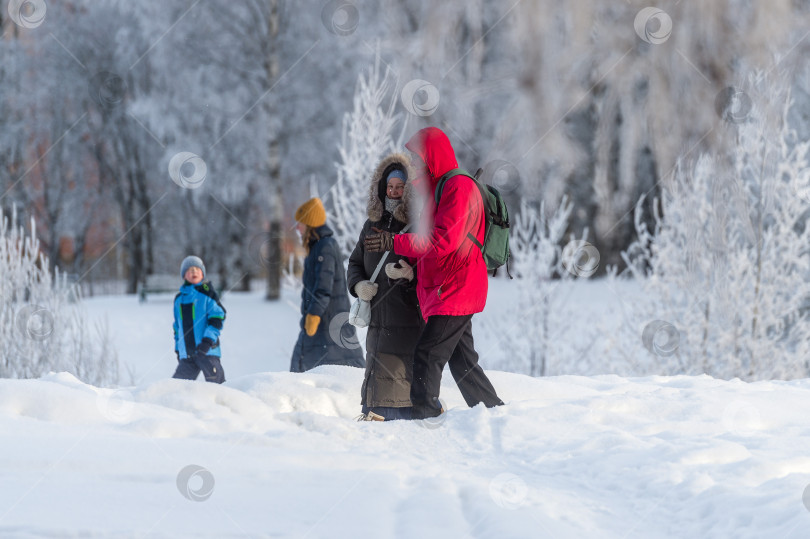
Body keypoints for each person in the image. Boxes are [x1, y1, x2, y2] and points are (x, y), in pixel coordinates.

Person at [365, 127, 504, 419]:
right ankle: (494, 414)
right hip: (449, 288)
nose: (413, 164)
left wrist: (395, 242)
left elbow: (444, 240)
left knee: (427, 355)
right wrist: (412, 268)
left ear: (432, 157)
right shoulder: (439, 189)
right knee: (463, 361)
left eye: (417, 158)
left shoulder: (458, 188)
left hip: (455, 289)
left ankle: (424, 417)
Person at [347, 153, 423, 421]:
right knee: (375, 363)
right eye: (389, 186)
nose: (393, 191)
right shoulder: (371, 226)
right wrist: (358, 286)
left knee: (398, 370)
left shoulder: (417, 226)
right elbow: (355, 262)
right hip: (378, 317)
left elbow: (430, 268)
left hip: (406, 315)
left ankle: (392, 415)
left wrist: (410, 275)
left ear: (408, 189)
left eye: (399, 187)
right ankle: (373, 411)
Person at [290, 197, 365, 373]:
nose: (297, 228)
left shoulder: (325, 246)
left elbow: (324, 286)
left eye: (300, 224)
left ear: (310, 224)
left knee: (318, 366)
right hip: (324, 320)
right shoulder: (317, 246)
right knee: (306, 363)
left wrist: (314, 315)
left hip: (328, 320)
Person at [172, 256, 227, 383]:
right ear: (184, 276)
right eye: (189, 270)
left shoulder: (207, 294)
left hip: (207, 351)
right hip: (188, 355)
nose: (194, 272)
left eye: (197, 269)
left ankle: (223, 402)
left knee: (217, 383)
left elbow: (217, 317)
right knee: (176, 386)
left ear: (202, 274)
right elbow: (177, 327)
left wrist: (207, 341)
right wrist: (178, 348)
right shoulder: (178, 299)